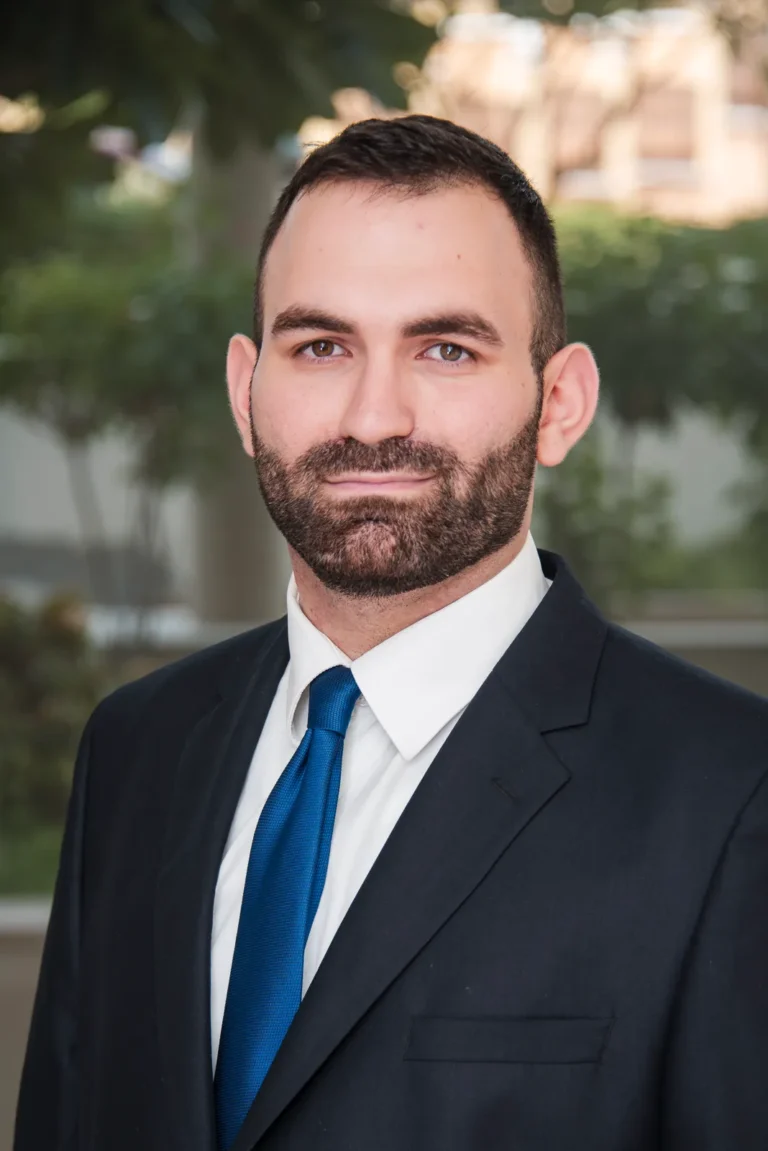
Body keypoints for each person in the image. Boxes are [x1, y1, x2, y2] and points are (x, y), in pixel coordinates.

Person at [14, 114, 768, 1151]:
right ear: (247, 392)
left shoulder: (734, 793)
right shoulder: (138, 744)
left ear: (559, 402)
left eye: (446, 348)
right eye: (321, 345)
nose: (375, 416)